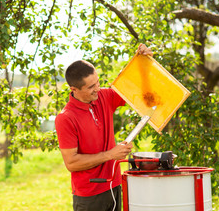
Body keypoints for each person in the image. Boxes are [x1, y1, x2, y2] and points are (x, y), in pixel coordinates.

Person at [55, 44, 153, 211]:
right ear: (74, 89)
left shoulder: (104, 97)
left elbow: (132, 86)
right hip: (89, 196)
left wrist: (142, 60)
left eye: (98, 82)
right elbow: (71, 163)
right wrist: (110, 155)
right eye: (91, 87)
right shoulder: (65, 118)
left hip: (114, 186)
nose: (97, 89)